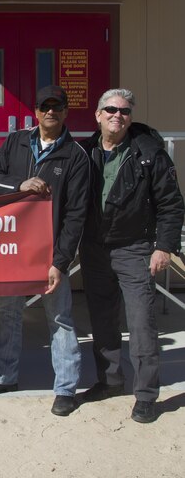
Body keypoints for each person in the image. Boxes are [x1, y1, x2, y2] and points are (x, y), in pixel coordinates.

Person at [0, 85, 90, 416]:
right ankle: (4, 376)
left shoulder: (76, 156)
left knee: (60, 319)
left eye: (57, 106)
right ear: (36, 112)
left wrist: (61, 262)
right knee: (7, 313)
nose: (50, 111)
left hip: (49, 256)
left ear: (66, 112)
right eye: (45, 106)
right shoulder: (16, 141)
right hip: (12, 252)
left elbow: (76, 215)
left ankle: (66, 387)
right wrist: (19, 185)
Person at [80, 89, 184, 423]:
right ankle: (110, 382)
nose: (117, 115)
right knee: (103, 322)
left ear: (130, 116)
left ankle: (145, 396)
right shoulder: (83, 152)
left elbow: (171, 204)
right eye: (110, 109)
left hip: (135, 249)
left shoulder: (150, 153)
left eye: (124, 111)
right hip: (95, 249)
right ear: (98, 114)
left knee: (141, 324)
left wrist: (164, 247)